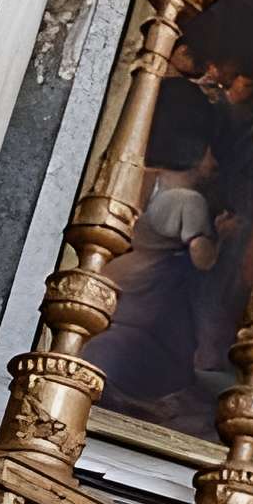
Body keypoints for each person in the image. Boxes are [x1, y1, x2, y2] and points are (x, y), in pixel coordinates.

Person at [97, 80, 233, 426]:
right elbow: (203, 257)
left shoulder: (142, 178)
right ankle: (144, 394)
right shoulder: (188, 200)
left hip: (122, 272)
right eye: (210, 149)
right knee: (171, 344)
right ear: (193, 145)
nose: (214, 161)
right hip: (154, 288)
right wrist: (225, 237)